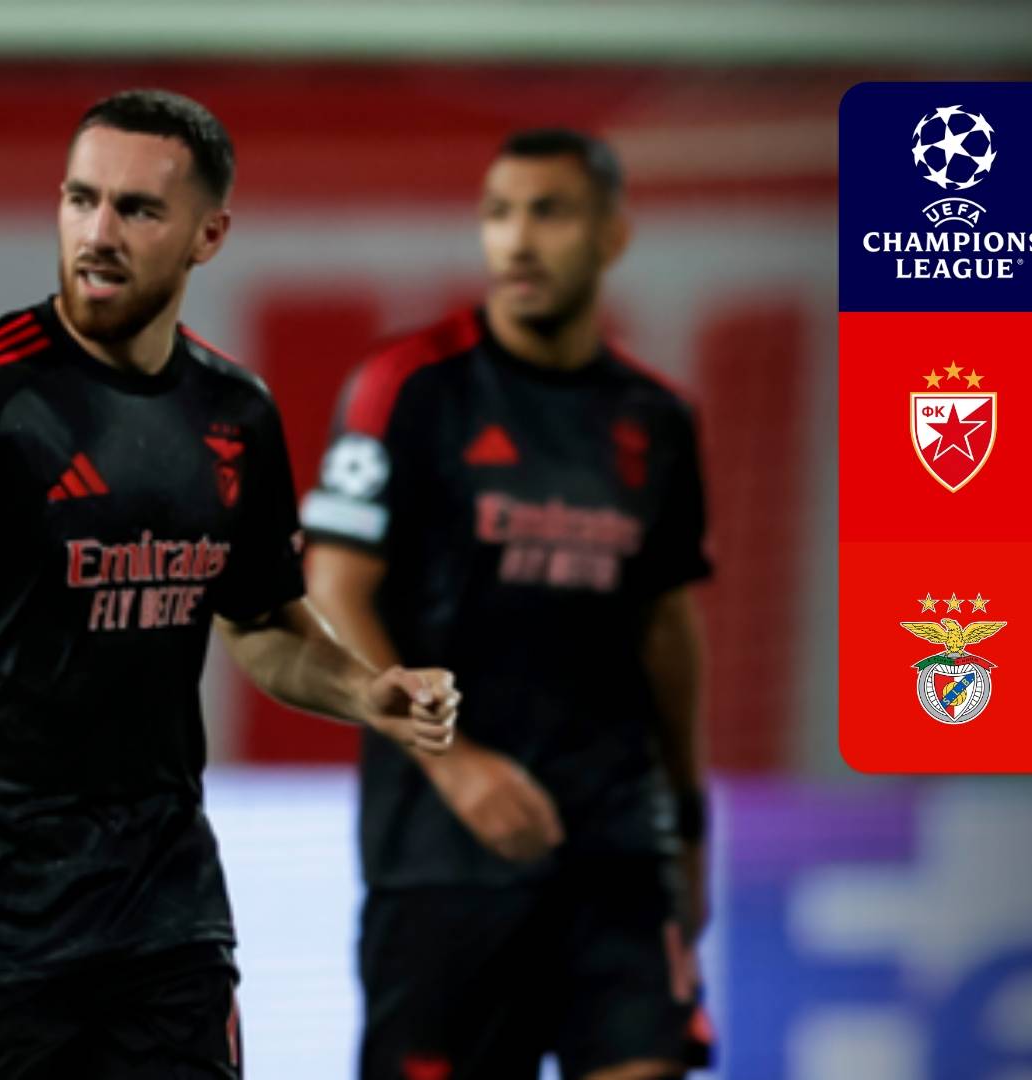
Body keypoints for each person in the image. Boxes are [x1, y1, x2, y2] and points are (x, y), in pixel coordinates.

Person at [0, 89, 461, 1079]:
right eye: (81, 199)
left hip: (160, 929)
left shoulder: (235, 414)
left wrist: (368, 690)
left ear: (208, 236)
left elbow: (262, 623)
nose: (98, 234)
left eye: (137, 210)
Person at [301, 129, 716, 1080]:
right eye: (499, 214)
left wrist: (689, 824)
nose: (517, 240)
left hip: (614, 847)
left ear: (612, 235)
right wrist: (453, 763)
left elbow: (665, 625)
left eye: (549, 212)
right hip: (442, 858)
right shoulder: (406, 387)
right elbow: (331, 589)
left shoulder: (658, 418)